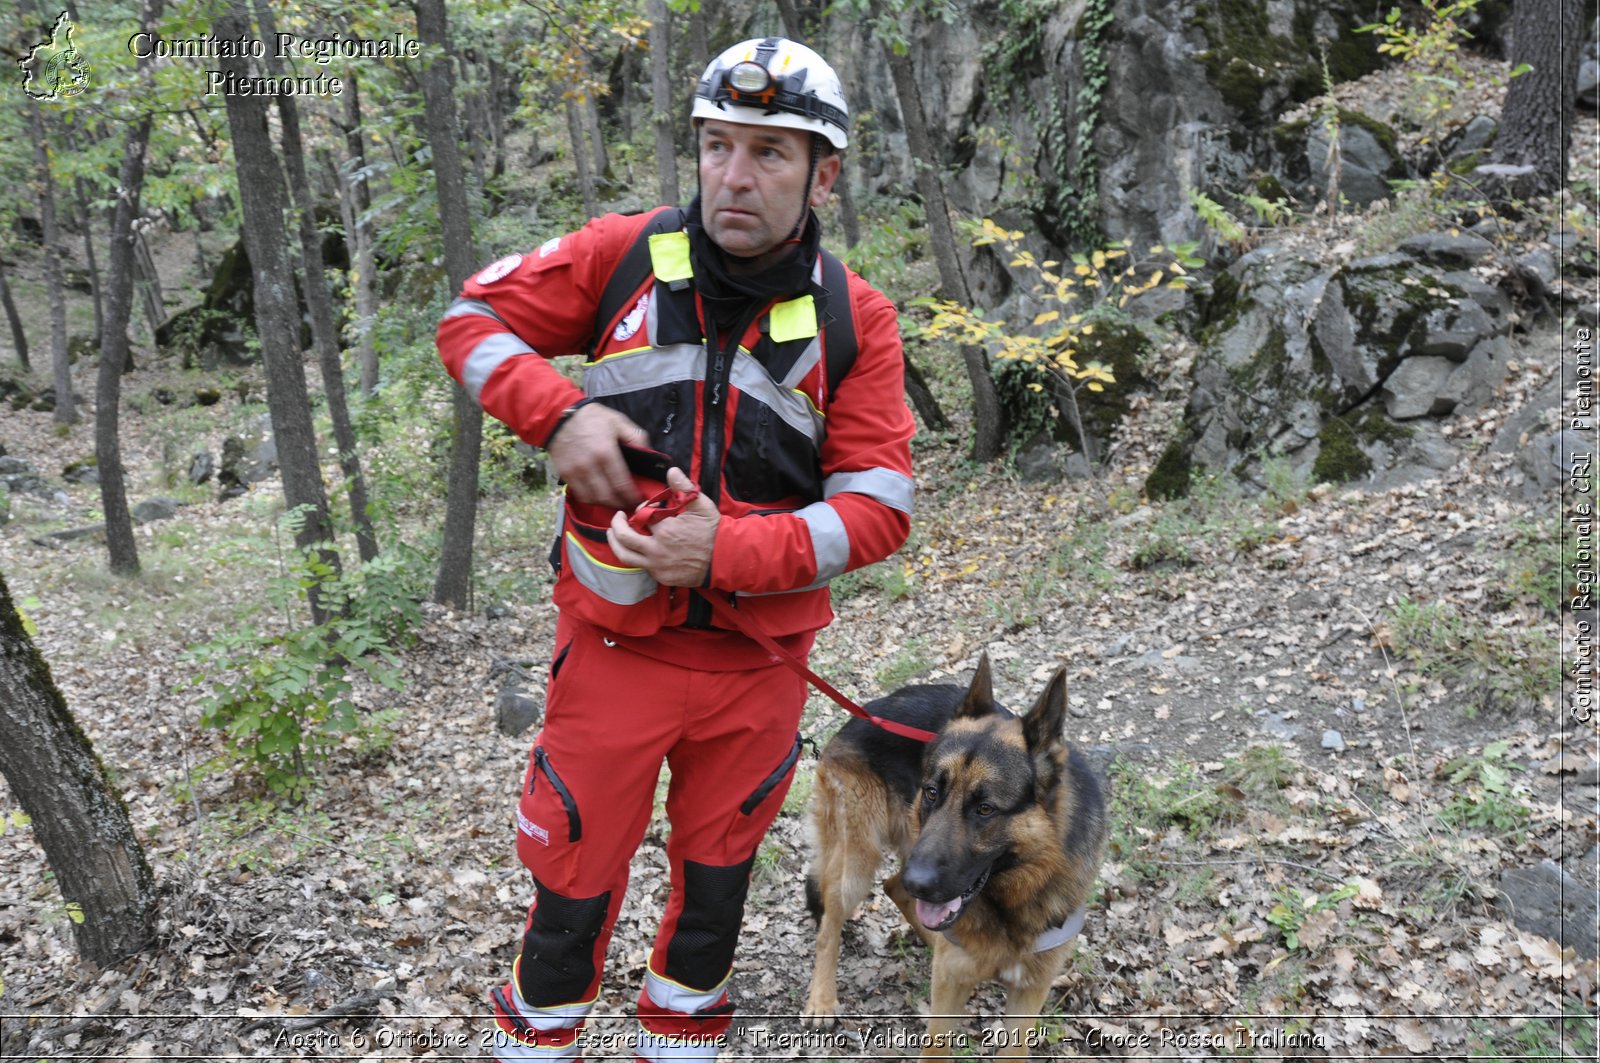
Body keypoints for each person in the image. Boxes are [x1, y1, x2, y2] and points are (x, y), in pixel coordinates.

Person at [437, 36, 915, 1062]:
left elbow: (879, 507)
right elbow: (469, 319)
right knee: (569, 878)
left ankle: (680, 1041)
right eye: (715, 145)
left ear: (823, 174)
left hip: (757, 668)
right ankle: (537, 1042)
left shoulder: (854, 319)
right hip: (613, 650)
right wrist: (557, 415)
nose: (734, 176)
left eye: (769, 154)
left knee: (716, 887)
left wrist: (728, 551)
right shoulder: (621, 257)